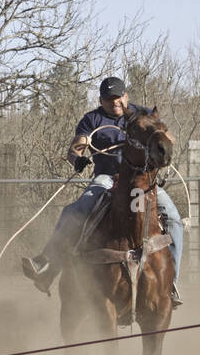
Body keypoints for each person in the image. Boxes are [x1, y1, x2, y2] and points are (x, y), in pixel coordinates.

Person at [22, 76, 184, 304]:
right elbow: (76, 147)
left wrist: (158, 138)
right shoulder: (93, 119)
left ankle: (171, 283)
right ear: (101, 100)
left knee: (174, 219)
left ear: (125, 97)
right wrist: (77, 159)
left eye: (117, 98)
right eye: (108, 100)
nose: (114, 103)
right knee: (74, 212)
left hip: (141, 181)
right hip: (107, 179)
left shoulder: (143, 115)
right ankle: (47, 265)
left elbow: (168, 138)